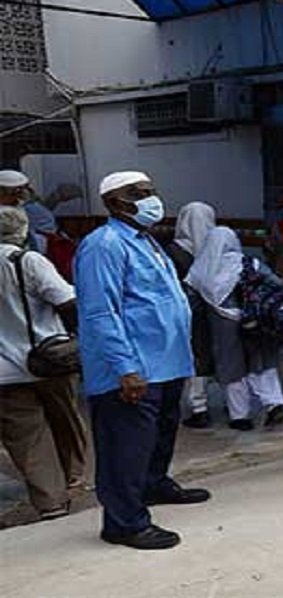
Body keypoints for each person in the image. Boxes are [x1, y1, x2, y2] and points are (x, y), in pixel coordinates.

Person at [75, 171, 210, 550]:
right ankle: (123, 523)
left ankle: (153, 484)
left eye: (151, 191)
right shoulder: (104, 245)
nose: (151, 199)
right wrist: (126, 368)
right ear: (114, 202)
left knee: (159, 434)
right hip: (134, 368)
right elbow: (100, 312)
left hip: (167, 362)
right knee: (126, 446)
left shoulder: (146, 240)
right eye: (138, 193)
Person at [0, 206, 88, 520]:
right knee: (66, 421)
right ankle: (73, 480)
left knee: (27, 438)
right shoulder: (28, 261)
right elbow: (67, 300)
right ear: (23, 231)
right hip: (50, 359)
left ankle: (50, 501)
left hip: (4, 372)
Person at [186, 226, 283, 431]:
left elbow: (192, 304)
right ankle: (273, 403)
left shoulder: (199, 271)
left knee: (231, 368)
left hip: (221, 326)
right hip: (255, 322)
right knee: (260, 362)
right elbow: (276, 284)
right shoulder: (249, 263)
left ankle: (240, 416)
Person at [165, 202, 217, 429]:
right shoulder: (216, 247)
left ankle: (197, 407)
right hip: (215, 309)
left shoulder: (173, 250)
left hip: (182, 311)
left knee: (188, 355)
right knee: (207, 354)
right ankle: (233, 406)